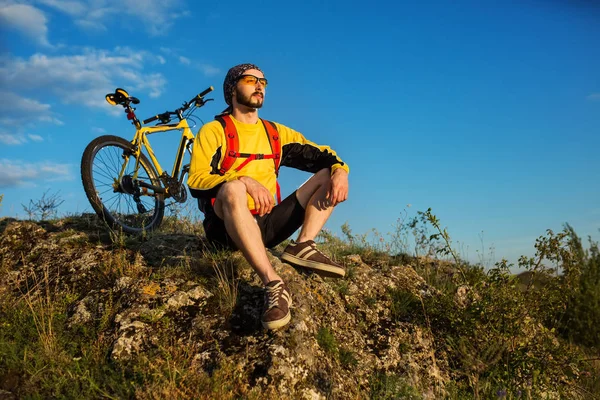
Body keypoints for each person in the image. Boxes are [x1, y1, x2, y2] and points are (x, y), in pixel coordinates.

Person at [188, 63, 349, 330]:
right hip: (226, 229)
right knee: (232, 189)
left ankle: (303, 245)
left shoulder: (275, 134)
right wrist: (242, 180)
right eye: (250, 80)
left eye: (263, 81)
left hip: (268, 225)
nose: (259, 85)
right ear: (232, 89)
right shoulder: (213, 131)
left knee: (326, 172)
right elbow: (196, 181)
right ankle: (273, 283)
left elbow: (323, 154)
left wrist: (340, 170)